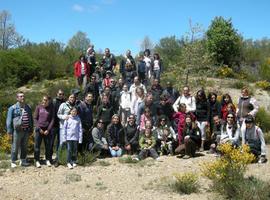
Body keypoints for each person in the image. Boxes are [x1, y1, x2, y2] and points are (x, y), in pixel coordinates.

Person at [6, 91, 33, 168]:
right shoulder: (12, 108)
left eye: (23, 96)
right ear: (17, 98)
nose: (23, 98)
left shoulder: (28, 107)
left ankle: (23, 160)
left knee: (24, 146)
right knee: (15, 146)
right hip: (17, 131)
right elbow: (8, 121)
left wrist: (31, 129)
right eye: (20, 96)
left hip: (26, 130)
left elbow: (30, 118)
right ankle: (13, 161)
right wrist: (9, 131)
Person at [56, 93, 76, 167]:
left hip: (71, 129)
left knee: (69, 145)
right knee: (62, 143)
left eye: (73, 97)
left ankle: (68, 160)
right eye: (71, 97)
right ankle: (58, 160)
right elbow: (58, 114)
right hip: (63, 127)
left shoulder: (75, 106)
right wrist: (64, 117)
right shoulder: (63, 105)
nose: (72, 99)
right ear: (68, 98)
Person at [34, 95, 54, 168]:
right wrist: (39, 128)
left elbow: (52, 119)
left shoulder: (51, 108)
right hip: (39, 129)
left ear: (49, 101)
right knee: (37, 146)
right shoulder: (38, 107)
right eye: (43, 99)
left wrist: (48, 130)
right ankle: (37, 160)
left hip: (47, 130)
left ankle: (47, 159)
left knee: (48, 146)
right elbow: (35, 118)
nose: (44, 101)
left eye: (46, 100)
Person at [50, 89, 65, 163]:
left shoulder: (65, 102)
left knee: (59, 142)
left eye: (62, 94)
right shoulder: (53, 101)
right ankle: (49, 157)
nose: (61, 95)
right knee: (51, 142)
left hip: (61, 125)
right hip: (53, 125)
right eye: (60, 94)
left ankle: (58, 158)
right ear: (57, 94)